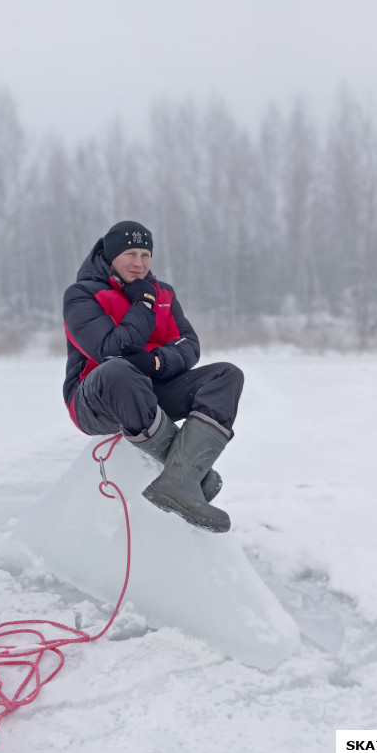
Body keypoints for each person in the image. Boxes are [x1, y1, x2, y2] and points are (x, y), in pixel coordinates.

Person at [62, 220, 244, 533]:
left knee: (226, 375)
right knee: (118, 370)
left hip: (150, 389)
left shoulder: (165, 294)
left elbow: (188, 346)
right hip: (96, 400)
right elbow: (111, 351)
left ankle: (180, 482)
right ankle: (194, 476)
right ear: (111, 256)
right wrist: (143, 303)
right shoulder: (82, 295)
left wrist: (156, 362)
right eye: (130, 254)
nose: (139, 262)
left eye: (146, 254)